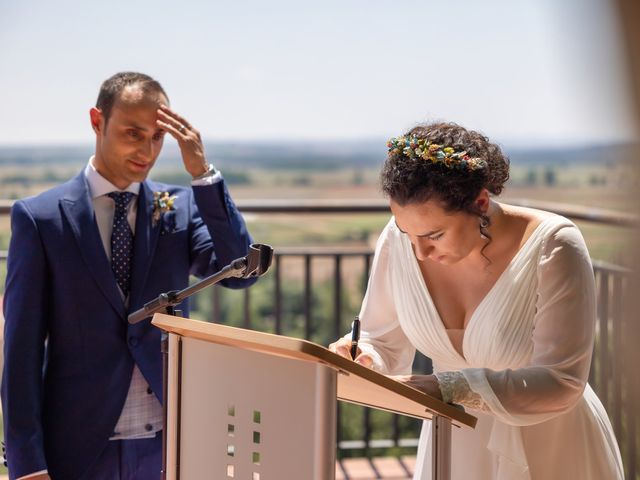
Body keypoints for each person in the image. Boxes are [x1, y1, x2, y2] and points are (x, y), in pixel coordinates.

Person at [330, 122, 624, 480]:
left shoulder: (554, 244)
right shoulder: (399, 241)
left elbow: (562, 382)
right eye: (409, 234)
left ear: (480, 202)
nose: (419, 252)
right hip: (451, 443)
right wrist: (363, 356)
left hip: (550, 446)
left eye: (434, 235)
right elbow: (382, 340)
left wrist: (449, 386)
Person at [1, 72, 257, 480]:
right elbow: (21, 353)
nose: (147, 149)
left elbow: (241, 271)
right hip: (78, 448)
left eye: (157, 137)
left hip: (167, 447)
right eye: (133, 133)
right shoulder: (41, 219)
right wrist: (28, 465)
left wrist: (203, 174)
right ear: (96, 121)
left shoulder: (182, 207)